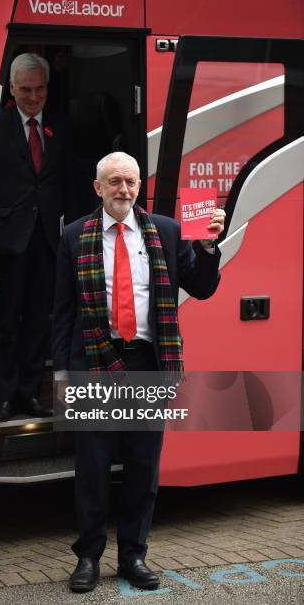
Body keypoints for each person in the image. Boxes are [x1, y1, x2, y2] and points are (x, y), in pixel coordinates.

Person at [52, 152, 225, 592]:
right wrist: (64, 376)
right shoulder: (74, 236)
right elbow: (62, 315)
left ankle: (133, 555)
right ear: (98, 188)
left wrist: (207, 247)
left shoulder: (166, 231)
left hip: (148, 361)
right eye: (114, 182)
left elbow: (202, 287)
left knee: (142, 469)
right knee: (92, 469)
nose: (123, 190)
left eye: (130, 181)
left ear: (138, 187)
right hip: (93, 363)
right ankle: (88, 556)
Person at [0, 53, 69, 422]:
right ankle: (5, 396)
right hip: (6, 238)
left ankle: (30, 393)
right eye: (25, 90)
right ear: (12, 89)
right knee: (5, 320)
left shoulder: (61, 124)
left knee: (39, 318)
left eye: (39, 90)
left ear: (48, 88)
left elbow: (66, 179)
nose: (33, 97)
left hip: (48, 239)